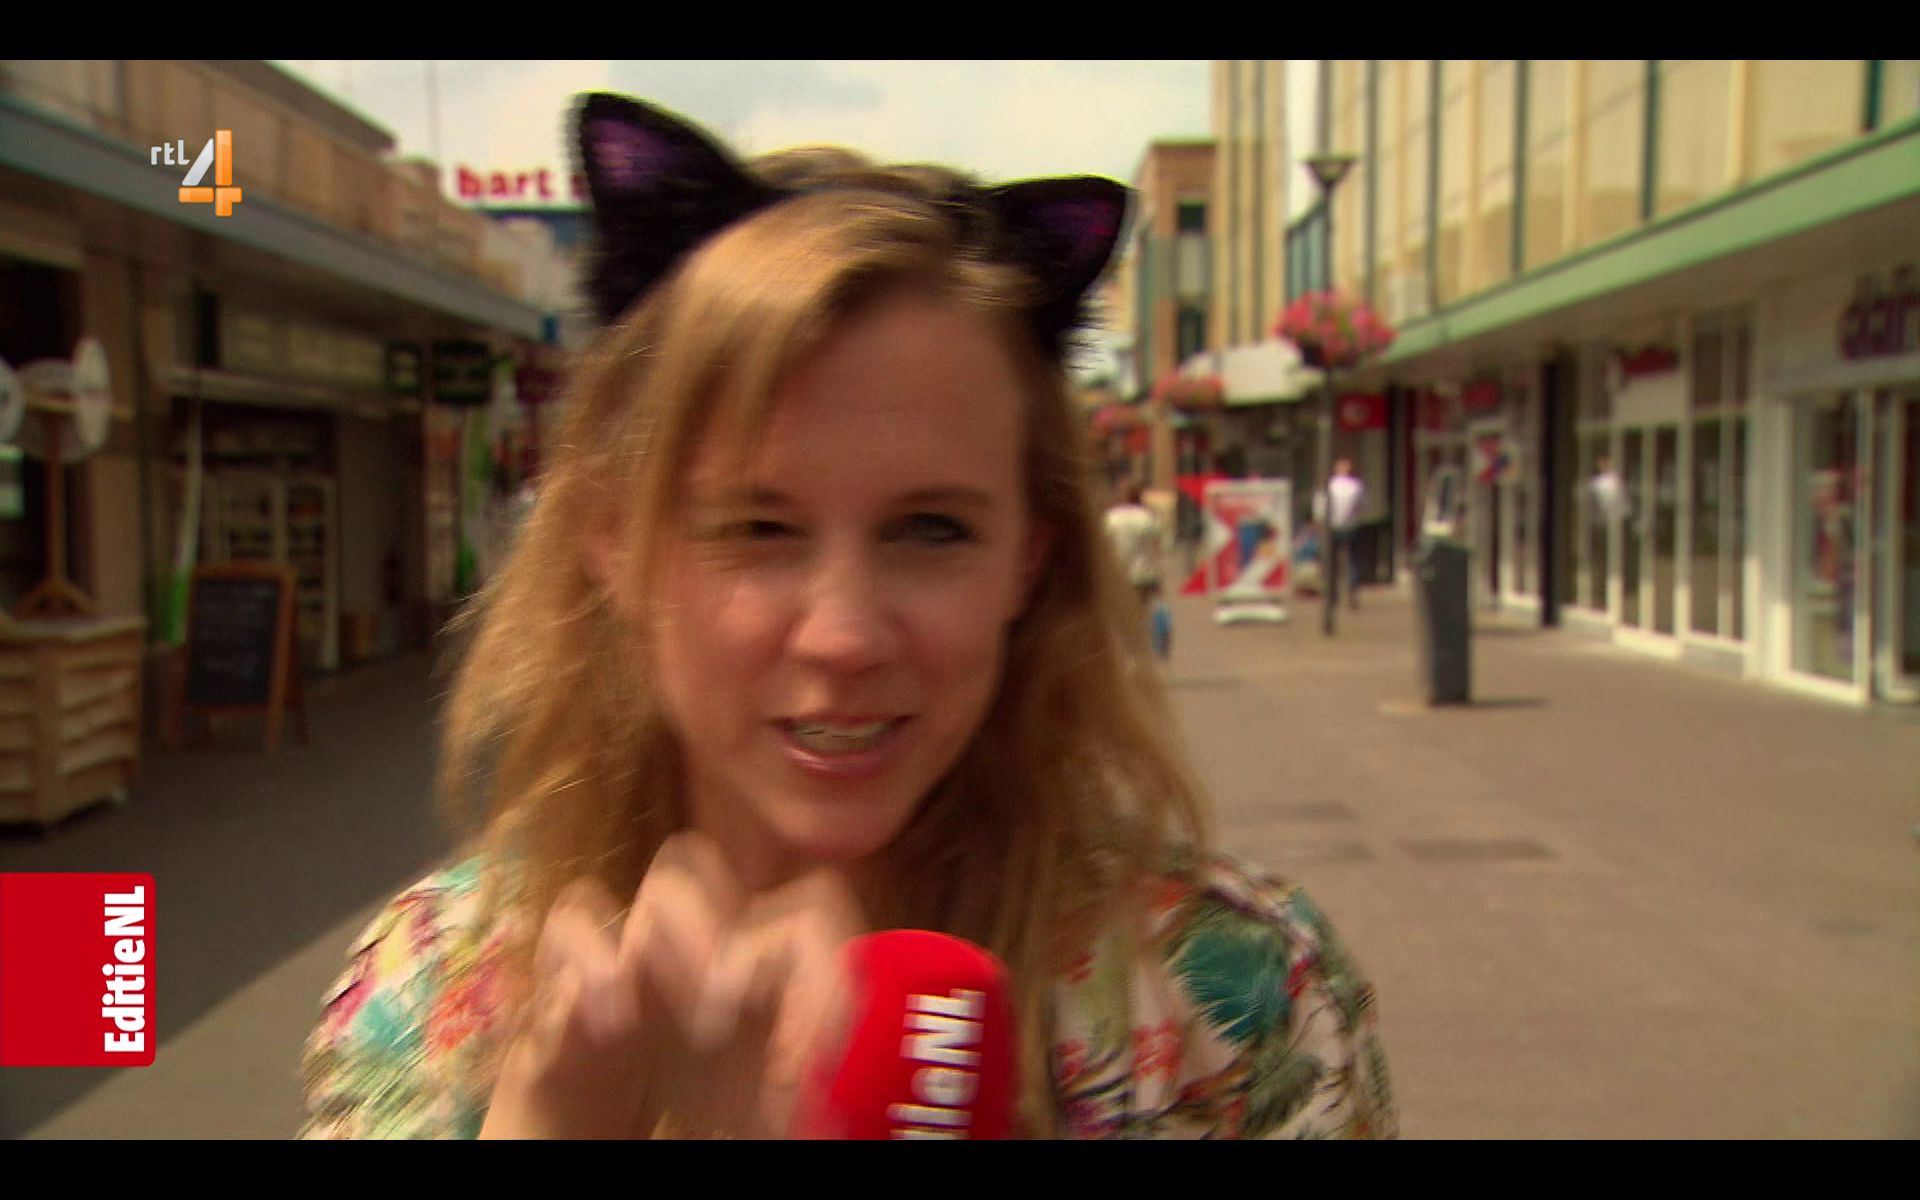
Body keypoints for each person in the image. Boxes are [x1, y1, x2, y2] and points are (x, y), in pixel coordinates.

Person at [298, 93, 1394, 1140]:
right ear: (614, 543)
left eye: (931, 530)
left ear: (1030, 558)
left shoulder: (1238, 1000)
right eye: (757, 528)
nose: (845, 635)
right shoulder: (432, 997)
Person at [1103, 481, 1168, 660]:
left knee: (1121, 617)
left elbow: (1104, 549)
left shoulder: (1110, 518)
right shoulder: (1147, 518)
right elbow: (1158, 550)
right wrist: (1160, 577)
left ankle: (1127, 654)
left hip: (1119, 575)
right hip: (1144, 575)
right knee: (1143, 614)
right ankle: (1140, 653)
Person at [1320, 459, 1365, 611]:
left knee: (1332, 561)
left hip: (1332, 527)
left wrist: (1321, 522)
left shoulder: (1329, 485)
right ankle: (1352, 591)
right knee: (1353, 560)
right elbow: (1362, 505)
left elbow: (1321, 506)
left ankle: (1332, 592)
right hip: (1351, 526)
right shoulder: (1356, 486)